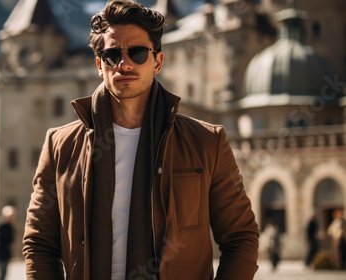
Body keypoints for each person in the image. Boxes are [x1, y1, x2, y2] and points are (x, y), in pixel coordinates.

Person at [22, 1, 259, 279]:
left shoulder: (206, 142)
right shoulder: (60, 145)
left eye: (137, 52)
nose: (124, 64)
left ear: (157, 61)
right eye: (112, 55)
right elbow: (39, 243)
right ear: (99, 65)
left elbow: (240, 237)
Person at [0, 206, 16, 280]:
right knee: (1, 273)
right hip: (1, 252)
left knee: (4, 272)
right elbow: (0, 239)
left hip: (6, 252)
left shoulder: (10, 226)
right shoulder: (1, 226)